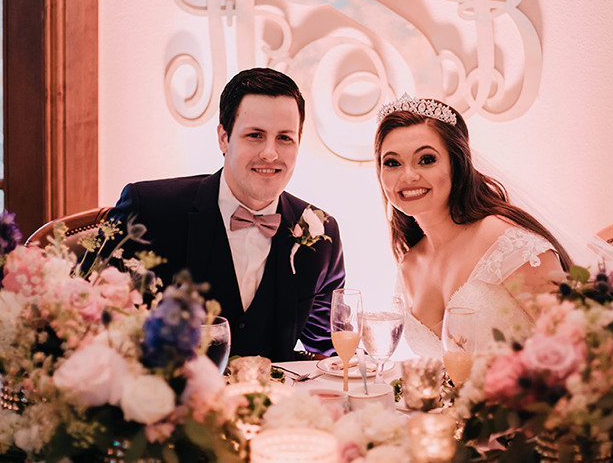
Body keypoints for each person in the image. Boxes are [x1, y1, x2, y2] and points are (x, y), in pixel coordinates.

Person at [107, 68, 346, 361]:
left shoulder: (320, 231)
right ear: (224, 138)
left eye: (284, 138)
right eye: (255, 135)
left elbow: (328, 351)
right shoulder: (149, 210)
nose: (270, 153)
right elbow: (88, 321)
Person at [374, 94, 571, 358]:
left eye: (427, 159)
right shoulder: (409, 263)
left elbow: (577, 346)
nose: (408, 175)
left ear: (456, 165)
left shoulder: (504, 241)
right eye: (392, 163)